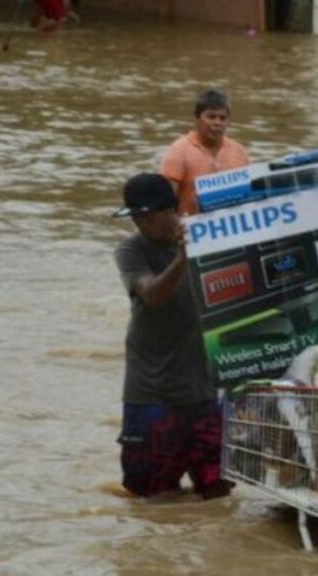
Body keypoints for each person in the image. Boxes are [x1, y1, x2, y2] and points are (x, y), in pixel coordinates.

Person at [112, 173, 230, 500]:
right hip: (151, 394)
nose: (140, 224)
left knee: (218, 491)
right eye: (135, 217)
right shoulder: (131, 250)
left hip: (204, 391)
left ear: (173, 210)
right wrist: (182, 259)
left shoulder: (212, 238)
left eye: (147, 216)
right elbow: (152, 295)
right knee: (154, 498)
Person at [159, 89, 251, 216]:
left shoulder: (239, 152)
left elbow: (249, 196)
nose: (217, 123)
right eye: (211, 117)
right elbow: (165, 202)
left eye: (222, 118)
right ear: (197, 119)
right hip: (191, 228)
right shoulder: (178, 151)